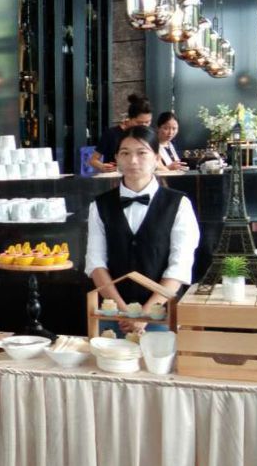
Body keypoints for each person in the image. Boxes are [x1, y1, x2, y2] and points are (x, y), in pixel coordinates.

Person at [85, 126, 200, 334]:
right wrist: (124, 312)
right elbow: (96, 263)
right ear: (116, 158)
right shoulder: (99, 205)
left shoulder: (178, 204)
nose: (133, 160)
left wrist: (145, 314)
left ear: (156, 158)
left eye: (142, 153)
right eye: (125, 153)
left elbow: (180, 266)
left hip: (162, 314)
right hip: (113, 313)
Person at [89, 93, 153, 173]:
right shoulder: (111, 134)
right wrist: (102, 166)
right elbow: (93, 160)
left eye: (147, 122)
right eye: (139, 122)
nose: (144, 126)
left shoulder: (149, 134)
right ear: (130, 118)